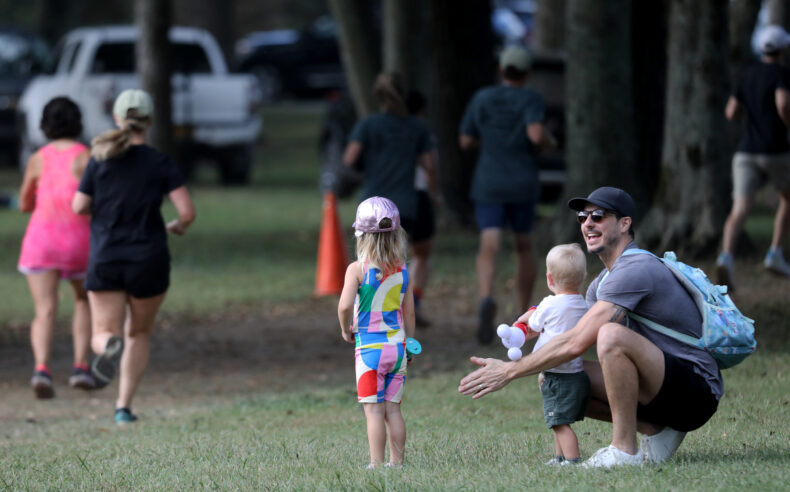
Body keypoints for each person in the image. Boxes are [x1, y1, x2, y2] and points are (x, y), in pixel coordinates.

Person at [459, 187, 723, 468]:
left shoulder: (635, 267)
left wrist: (509, 370)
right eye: (583, 217)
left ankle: (624, 450)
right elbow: (569, 336)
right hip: (663, 386)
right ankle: (656, 430)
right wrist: (538, 326)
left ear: (625, 224)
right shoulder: (600, 285)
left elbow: (577, 343)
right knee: (555, 376)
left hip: (696, 390)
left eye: (598, 215)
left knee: (611, 336)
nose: (587, 223)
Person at [72, 89, 196, 424]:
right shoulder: (160, 162)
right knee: (138, 333)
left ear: (116, 118)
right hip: (149, 258)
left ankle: (107, 346)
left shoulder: (99, 159)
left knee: (104, 331)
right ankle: (123, 408)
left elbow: (79, 206)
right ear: (150, 121)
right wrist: (178, 226)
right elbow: (186, 211)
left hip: (107, 256)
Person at [459, 45, 556, 344]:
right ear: (527, 73)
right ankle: (520, 313)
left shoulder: (483, 98)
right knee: (523, 246)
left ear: (501, 70)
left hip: (488, 181)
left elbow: (465, 140)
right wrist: (550, 141)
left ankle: (487, 297)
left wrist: (488, 145)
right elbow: (536, 135)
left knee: (489, 244)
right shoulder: (531, 98)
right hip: (522, 182)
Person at [343, 74, 440, 320]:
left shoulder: (367, 125)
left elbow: (349, 158)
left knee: (368, 260)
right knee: (397, 260)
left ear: (378, 97)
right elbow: (429, 164)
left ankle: (367, 310)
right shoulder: (416, 127)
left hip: (371, 205)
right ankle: (402, 309)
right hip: (403, 205)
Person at [17, 96, 95, 398]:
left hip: (42, 242)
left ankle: (42, 370)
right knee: (83, 301)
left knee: (44, 309)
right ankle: (80, 367)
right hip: (79, 242)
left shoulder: (38, 158)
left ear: (45, 125)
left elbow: (25, 202)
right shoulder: (86, 156)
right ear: (77, 123)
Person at [337, 196, 415, 468]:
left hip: (370, 350)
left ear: (361, 237)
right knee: (393, 410)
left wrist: (346, 327)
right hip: (397, 349)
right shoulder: (403, 271)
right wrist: (410, 343)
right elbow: (410, 314)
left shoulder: (357, 270)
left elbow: (345, 305)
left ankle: (376, 463)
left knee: (373, 411)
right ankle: (398, 462)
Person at [717, 24, 790, 290]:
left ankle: (726, 258)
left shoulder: (747, 76)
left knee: (740, 209)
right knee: (788, 198)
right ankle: (775, 254)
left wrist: (752, 113)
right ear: (783, 49)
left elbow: (730, 112)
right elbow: (783, 103)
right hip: (775, 150)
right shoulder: (782, 74)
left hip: (746, 150)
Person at [525, 243, 590, 466]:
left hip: (557, 375)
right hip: (575, 373)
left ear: (549, 279)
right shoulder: (584, 305)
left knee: (559, 422)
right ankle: (559, 457)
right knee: (556, 418)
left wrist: (521, 320)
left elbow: (533, 324)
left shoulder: (549, 303)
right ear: (583, 278)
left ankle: (572, 461)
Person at [405, 90, 438, 327]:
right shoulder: (421, 129)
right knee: (422, 254)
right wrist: (434, 193)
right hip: (417, 195)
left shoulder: (387, 128)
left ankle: (389, 306)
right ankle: (413, 302)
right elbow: (429, 165)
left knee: (390, 255)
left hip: (391, 197)